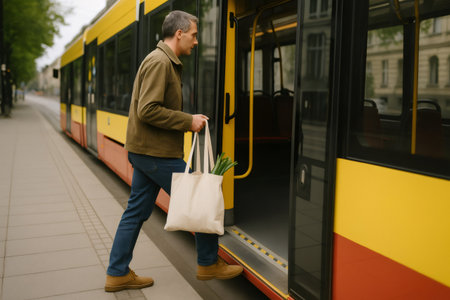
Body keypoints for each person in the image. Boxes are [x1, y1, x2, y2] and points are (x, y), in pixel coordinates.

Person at [104, 10, 243, 292]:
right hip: (155, 153)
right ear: (178, 33)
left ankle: (117, 272)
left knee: (135, 212)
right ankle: (207, 262)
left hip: (148, 151)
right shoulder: (159, 62)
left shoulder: (163, 61)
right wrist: (187, 121)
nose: (196, 42)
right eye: (193, 35)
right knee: (200, 196)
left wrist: (187, 118)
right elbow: (148, 109)